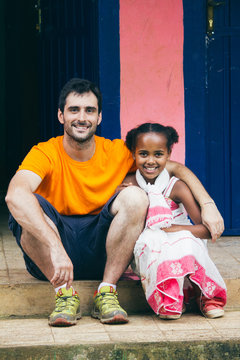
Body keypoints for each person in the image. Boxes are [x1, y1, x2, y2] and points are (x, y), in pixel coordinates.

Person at [5, 78, 224, 327]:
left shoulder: (117, 151)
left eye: (90, 110)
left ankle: (107, 292)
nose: (82, 117)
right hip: (52, 258)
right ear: (60, 115)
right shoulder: (45, 152)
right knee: (26, 205)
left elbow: (175, 168)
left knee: (134, 197)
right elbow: (15, 194)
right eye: (74, 110)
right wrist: (55, 247)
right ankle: (64, 294)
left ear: (99, 117)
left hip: (102, 249)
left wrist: (208, 204)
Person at [123, 122, 226, 319]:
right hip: (149, 247)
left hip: (182, 241)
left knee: (184, 242)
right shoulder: (129, 183)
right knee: (152, 242)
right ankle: (168, 299)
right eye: (143, 154)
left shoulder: (175, 187)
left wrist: (172, 230)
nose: (150, 161)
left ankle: (204, 296)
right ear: (133, 154)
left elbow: (205, 230)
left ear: (169, 154)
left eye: (158, 154)